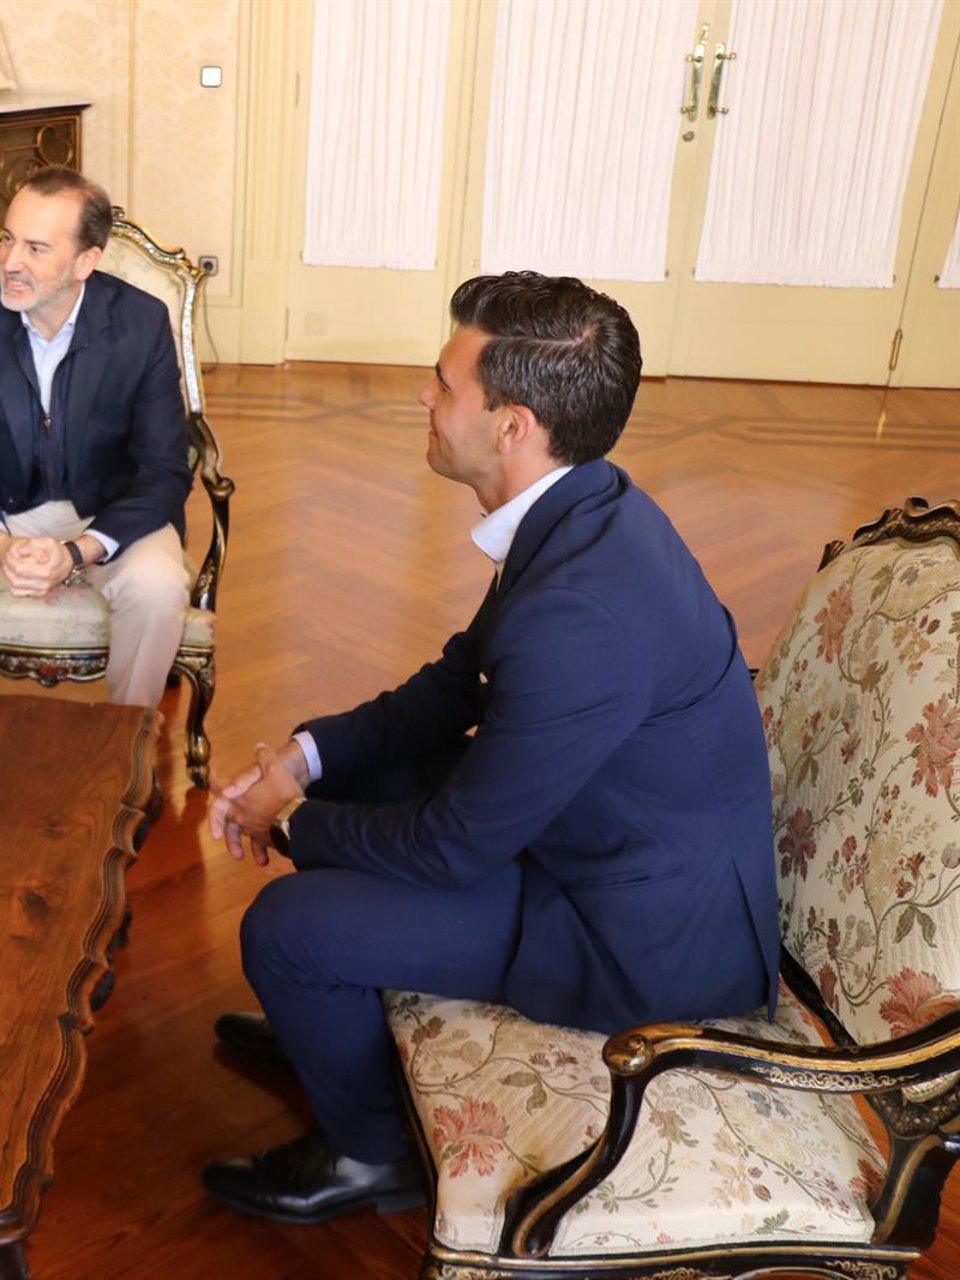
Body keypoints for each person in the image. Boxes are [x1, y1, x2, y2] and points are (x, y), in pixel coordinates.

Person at [199, 272, 779, 1224]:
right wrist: (304, 761)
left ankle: (366, 1158)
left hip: (635, 938)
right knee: (367, 775)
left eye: (443, 383)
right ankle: (334, 1024)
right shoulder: (585, 506)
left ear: (512, 426)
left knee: (285, 930)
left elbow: (454, 847)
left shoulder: (580, 607)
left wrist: (290, 819)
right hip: (607, 842)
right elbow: (454, 684)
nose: (423, 397)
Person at [0, 166, 193, 707]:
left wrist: (78, 552)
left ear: (86, 262)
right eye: (8, 239)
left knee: (157, 587)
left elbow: (164, 470)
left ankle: (127, 735)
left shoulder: (141, 323)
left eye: (36, 248)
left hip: (112, 511)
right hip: (7, 509)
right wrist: (1, 545)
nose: (10, 262)